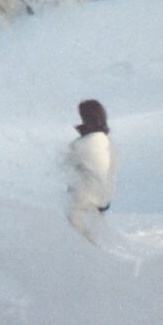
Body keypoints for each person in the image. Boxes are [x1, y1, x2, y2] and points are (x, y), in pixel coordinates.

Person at [66, 99, 115, 241]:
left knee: (81, 241)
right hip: (101, 201)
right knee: (92, 240)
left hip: (82, 201)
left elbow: (64, 165)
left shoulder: (80, 144)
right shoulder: (106, 141)